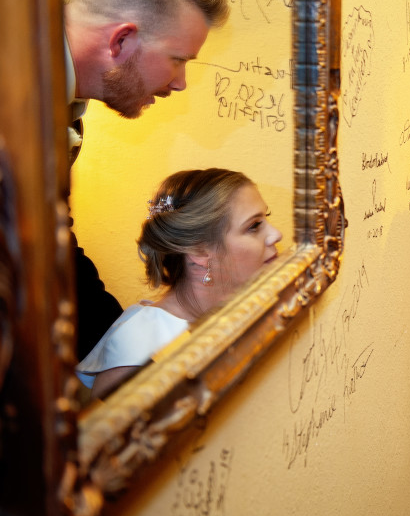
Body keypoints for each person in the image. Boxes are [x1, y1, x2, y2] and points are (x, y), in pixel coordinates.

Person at [63, 0, 230, 360]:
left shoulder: (63, 107)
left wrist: (123, 361)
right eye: (178, 60)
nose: (180, 84)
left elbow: (51, 251)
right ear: (121, 40)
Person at [77, 168, 281, 400]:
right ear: (199, 251)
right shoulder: (144, 348)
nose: (276, 234)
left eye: (267, 218)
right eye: (254, 226)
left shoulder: (240, 309)